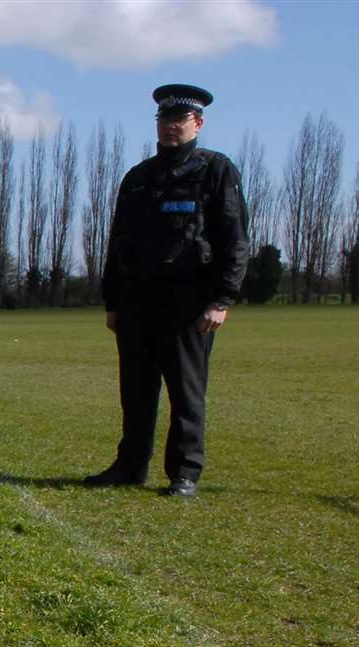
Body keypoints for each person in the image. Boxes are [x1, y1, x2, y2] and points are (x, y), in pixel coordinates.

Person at [86, 83, 248, 497]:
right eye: (164, 119)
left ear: (198, 122)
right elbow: (118, 241)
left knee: (186, 392)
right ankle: (129, 466)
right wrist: (113, 301)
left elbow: (234, 238)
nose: (170, 127)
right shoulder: (139, 178)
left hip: (188, 305)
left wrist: (222, 299)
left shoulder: (215, 171)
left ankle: (184, 473)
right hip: (138, 302)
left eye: (179, 119)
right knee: (136, 392)